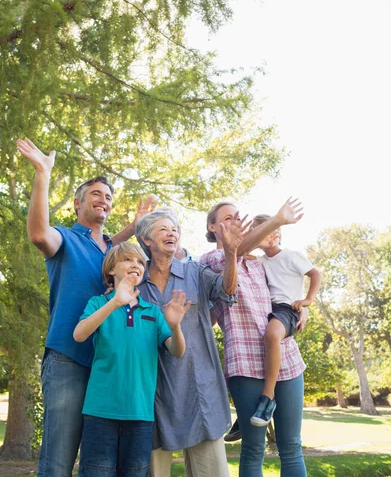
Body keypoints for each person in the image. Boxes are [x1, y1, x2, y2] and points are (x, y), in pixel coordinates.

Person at [16, 137, 156, 477]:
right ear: (78, 203)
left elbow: (112, 248)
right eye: (96, 194)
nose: (103, 200)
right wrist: (42, 174)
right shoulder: (65, 238)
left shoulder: (110, 250)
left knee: (97, 464)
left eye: (108, 197)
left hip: (106, 365)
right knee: (59, 460)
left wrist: (137, 223)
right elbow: (38, 234)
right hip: (68, 358)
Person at [134, 208, 247, 477]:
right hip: (151, 392)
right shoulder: (135, 280)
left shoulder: (195, 272)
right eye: (163, 229)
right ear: (146, 240)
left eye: (174, 229)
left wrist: (231, 253)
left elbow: (227, 291)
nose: (171, 233)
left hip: (200, 390)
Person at [200, 199, 308, 477]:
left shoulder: (260, 265)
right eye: (227, 218)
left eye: (238, 217)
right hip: (245, 363)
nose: (235, 222)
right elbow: (234, 253)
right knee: (253, 448)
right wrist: (276, 220)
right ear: (212, 227)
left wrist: (300, 311)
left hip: (285, 358)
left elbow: (282, 298)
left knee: (291, 446)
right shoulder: (209, 261)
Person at [73, 242, 190, 477]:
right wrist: (116, 302)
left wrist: (175, 326)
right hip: (100, 412)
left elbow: (177, 351)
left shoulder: (153, 311)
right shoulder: (98, 304)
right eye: (128, 260)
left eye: (139, 261)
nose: (135, 264)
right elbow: (79, 334)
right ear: (111, 270)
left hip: (140, 415)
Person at [250, 214, 321, 427]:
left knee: (272, 335)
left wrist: (308, 300)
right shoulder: (260, 262)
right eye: (262, 232)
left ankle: (268, 397)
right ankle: (248, 409)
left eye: (272, 229)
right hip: (268, 310)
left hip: (288, 309)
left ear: (279, 232)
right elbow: (241, 253)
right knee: (263, 344)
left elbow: (315, 274)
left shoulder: (291, 255)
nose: (269, 235)